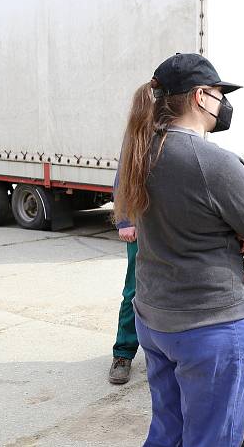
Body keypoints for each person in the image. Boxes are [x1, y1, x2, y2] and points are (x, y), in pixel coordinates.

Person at [115, 53, 244, 447]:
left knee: (167, 431)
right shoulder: (215, 162)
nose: (223, 103)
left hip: (155, 318)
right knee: (214, 437)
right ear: (199, 97)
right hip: (209, 328)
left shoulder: (139, 151)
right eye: (218, 94)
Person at [108, 165, 139, 384]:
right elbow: (126, 171)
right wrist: (126, 219)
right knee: (135, 290)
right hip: (144, 221)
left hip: (177, 222)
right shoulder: (141, 130)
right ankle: (123, 352)